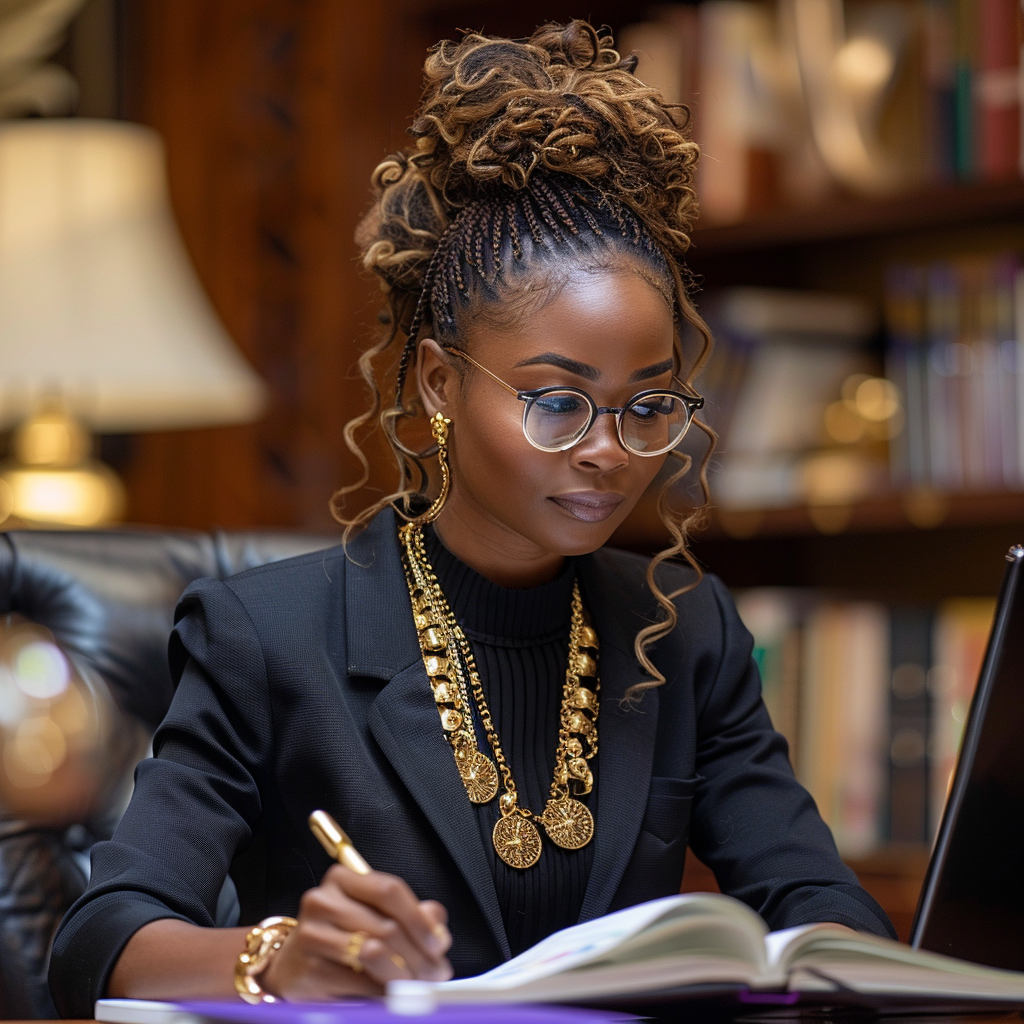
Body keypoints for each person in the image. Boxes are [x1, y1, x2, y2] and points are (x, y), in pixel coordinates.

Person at [49, 20, 894, 1017]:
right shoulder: (266, 639)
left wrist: (840, 963)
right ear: (443, 383)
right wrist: (281, 957)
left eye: (649, 404)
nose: (607, 448)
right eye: (556, 400)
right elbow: (104, 938)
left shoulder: (686, 632)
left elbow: (819, 907)